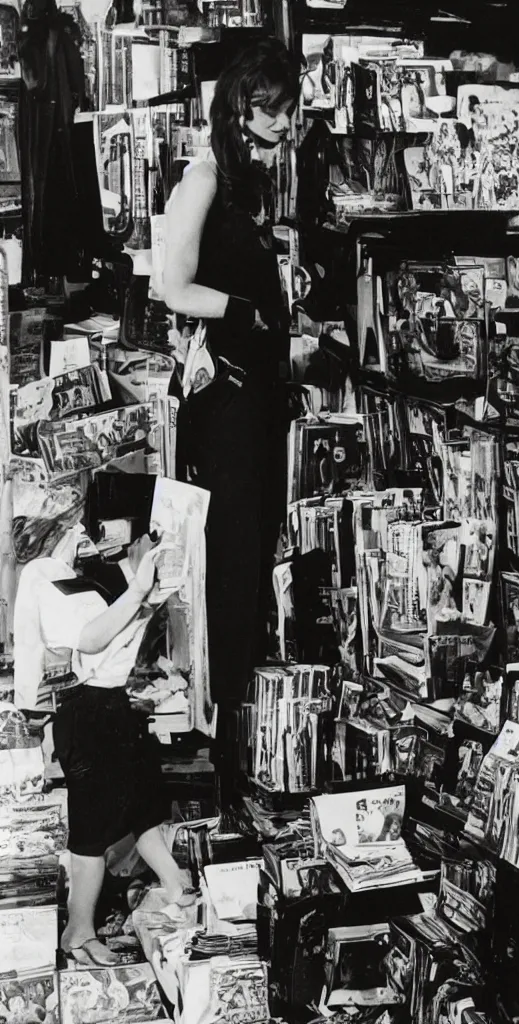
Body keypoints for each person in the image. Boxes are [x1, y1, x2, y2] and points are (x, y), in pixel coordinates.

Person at [163, 39, 301, 784]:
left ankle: (245, 730)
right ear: (240, 106)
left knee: (253, 556)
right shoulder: (205, 179)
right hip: (227, 403)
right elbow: (171, 286)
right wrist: (242, 312)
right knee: (230, 560)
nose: (283, 126)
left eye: (287, 112)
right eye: (270, 112)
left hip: (257, 400)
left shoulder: (249, 182)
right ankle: (223, 738)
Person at [14, 520, 195, 967]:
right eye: (74, 529)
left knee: (142, 802)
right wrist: (136, 591)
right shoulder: (43, 573)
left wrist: (146, 600)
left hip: (104, 706)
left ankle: (176, 887)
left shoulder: (65, 576)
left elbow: (107, 639)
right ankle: (77, 932)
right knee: (93, 828)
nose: (84, 537)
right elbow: (90, 639)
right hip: (87, 712)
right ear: (54, 532)